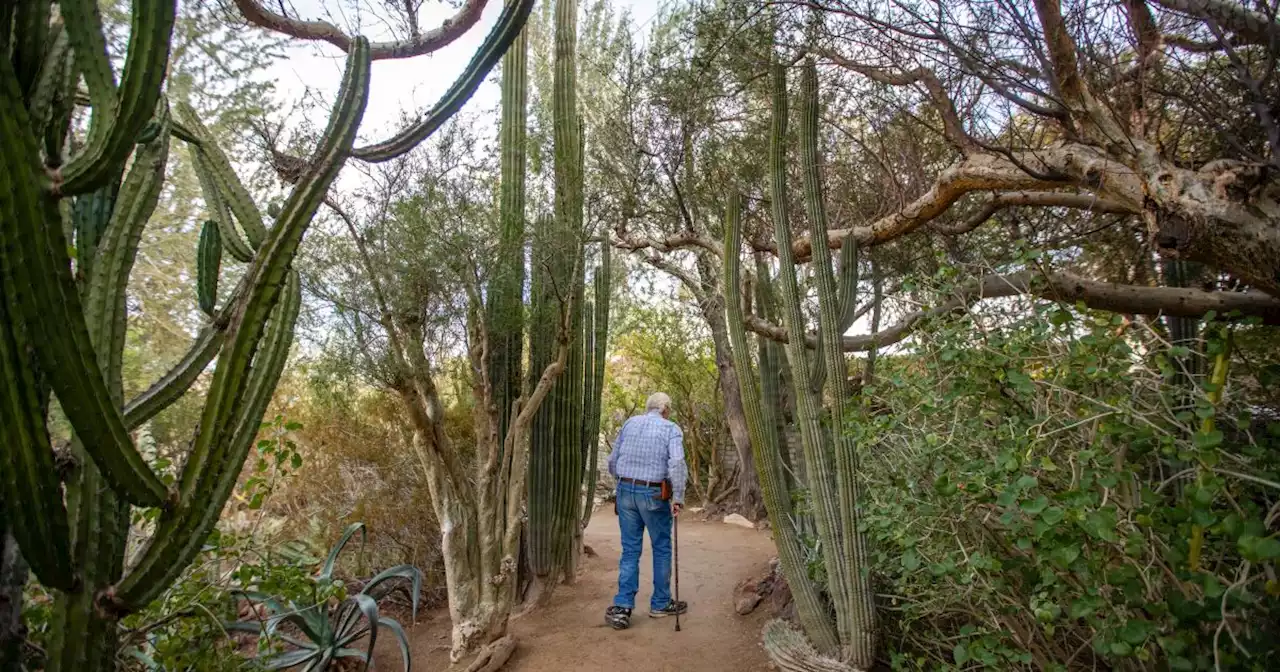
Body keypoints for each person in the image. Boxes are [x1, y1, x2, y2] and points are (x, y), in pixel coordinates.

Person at [604, 392, 689, 630]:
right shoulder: (671, 429)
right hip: (653, 494)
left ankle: (622, 608)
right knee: (661, 548)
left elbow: (612, 460)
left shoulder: (631, 423)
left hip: (625, 491)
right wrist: (678, 497)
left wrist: (620, 484)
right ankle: (660, 603)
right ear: (665, 409)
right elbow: (677, 463)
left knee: (630, 549)